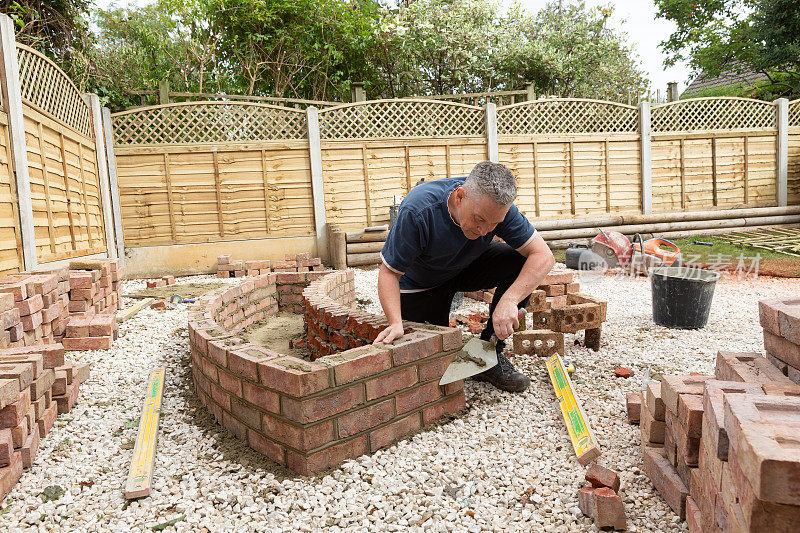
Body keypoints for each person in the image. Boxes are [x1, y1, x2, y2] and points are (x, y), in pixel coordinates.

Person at [375, 161, 555, 392]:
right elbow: (389, 272)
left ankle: (488, 353)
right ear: (460, 196)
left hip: (462, 268)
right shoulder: (419, 210)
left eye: (495, 224)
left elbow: (544, 255)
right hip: (421, 286)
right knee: (433, 366)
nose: (484, 231)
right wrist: (395, 322)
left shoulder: (496, 208)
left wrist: (509, 300)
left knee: (520, 261)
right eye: (479, 220)